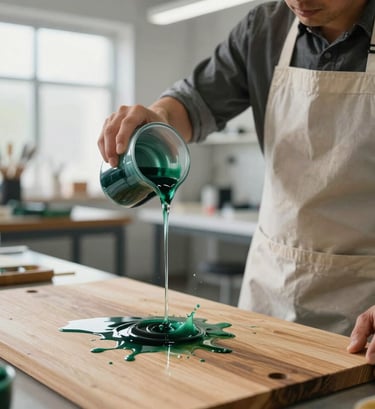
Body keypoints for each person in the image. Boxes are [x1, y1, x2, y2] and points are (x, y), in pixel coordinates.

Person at [98, 0, 375, 364]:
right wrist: (158, 116)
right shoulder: (266, 27)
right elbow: (193, 101)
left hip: (365, 308)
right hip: (273, 287)